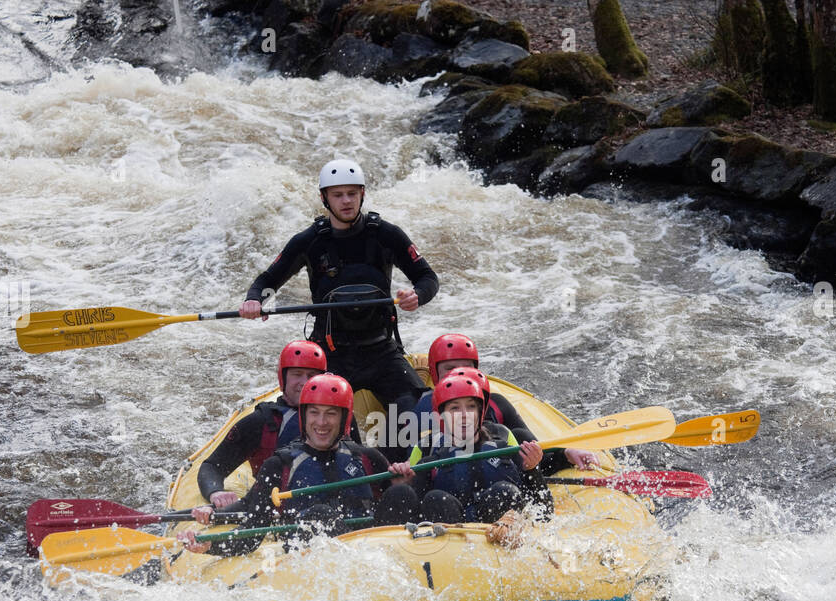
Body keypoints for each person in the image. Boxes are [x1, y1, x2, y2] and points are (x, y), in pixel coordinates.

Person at [238, 158, 439, 425]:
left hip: (381, 350)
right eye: (338, 195)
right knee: (331, 425)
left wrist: (417, 295)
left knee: (418, 413)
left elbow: (427, 277)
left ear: (362, 195)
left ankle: (400, 460)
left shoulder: (386, 234)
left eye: (352, 194)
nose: (346, 201)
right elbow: (267, 280)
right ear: (325, 198)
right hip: (330, 353)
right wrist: (254, 300)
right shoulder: (309, 241)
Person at [176, 374, 414, 556]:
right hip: (306, 560)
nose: (321, 422)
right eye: (314, 413)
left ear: (344, 418)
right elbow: (251, 534)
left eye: (331, 413)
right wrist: (210, 545)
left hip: (370, 553)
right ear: (303, 416)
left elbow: (396, 511)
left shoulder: (367, 458)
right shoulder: (279, 466)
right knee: (320, 515)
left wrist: (404, 482)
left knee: (402, 493)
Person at [415, 334, 600, 472]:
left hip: (495, 477)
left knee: (518, 434)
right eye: (450, 369)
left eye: (465, 368)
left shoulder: (497, 406)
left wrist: (566, 454)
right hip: (443, 486)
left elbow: (536, 451)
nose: (459, 375)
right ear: (434, 372)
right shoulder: (421, 410)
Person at [387, 373, 547, 526]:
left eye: (471, 407)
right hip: (453, 543)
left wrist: (533, 471)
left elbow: (545, 514)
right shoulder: (429, 465)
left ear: (480, 413)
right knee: (436, 499)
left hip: (500, 539)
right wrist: (408, 485)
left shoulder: (508, 453)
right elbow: (415, 520)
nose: (464, 415)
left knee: (504, 491)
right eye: (455, 408)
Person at [195, 339, 329, 508]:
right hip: (270, 506)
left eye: (311, 376)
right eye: (297, 374)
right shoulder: (261, 422)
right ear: (283, 378)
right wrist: (216, 492)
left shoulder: (337, 421)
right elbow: (212, 466)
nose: (304, 382)